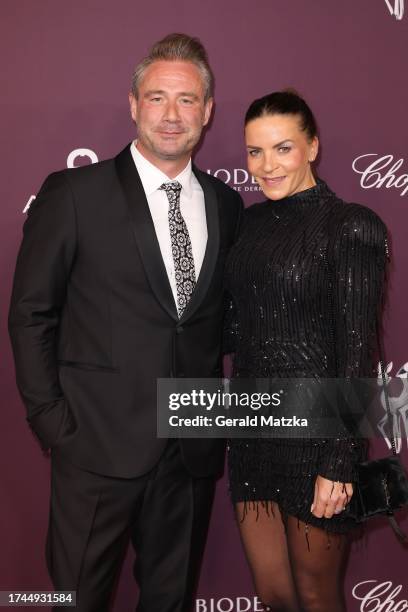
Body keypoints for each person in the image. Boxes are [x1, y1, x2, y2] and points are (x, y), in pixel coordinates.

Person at [8, 33, 243, 612]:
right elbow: (31, 313)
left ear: (208, 112)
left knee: (170, 600)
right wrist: (53, 422)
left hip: (188, 453)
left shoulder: (227, 205)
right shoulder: (73, 194)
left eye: (187, 100)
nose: (171, 114)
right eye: (157, 97)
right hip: (94, 448)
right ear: (134, 104)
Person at [224, 91, 387, 612]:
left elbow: (358, 353)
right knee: (274, 596)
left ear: (313, 146)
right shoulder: (247, 226)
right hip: (252, 429)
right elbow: (234, 328)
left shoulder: (352, 225)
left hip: (317, 436)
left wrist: (340, 460)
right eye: (254, 152)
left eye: (283, 148)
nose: (266, 166)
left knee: (317, 597)